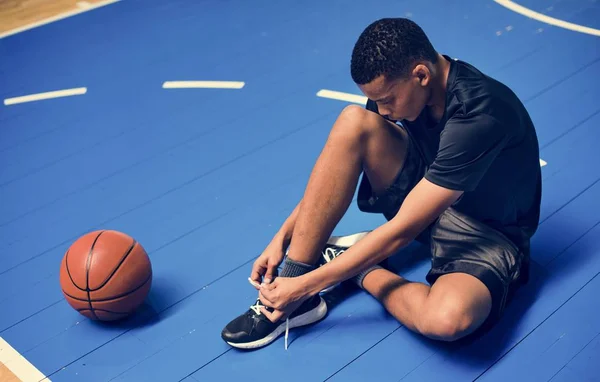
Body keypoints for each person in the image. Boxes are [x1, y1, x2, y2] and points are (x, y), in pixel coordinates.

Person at [221, 17, 542, 350]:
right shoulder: (399, 89)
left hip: (486, 234)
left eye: (388, 100)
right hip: (427, 194)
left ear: (421, 75)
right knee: (353, 123)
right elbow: (335, 168)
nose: (384, 110)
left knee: (448, 320)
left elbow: (403, 229)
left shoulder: (481, 113)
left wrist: (310, 283)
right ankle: (292, 290)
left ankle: (354, 269)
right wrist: (282, 237)